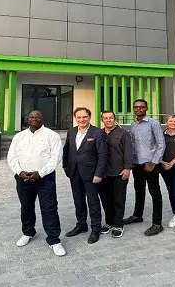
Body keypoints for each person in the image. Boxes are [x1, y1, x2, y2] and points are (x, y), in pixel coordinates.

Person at [7, 110, 66, 256]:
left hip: (45, 179)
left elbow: (55, 158)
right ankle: (28, 232)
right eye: (32, 117)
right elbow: (12, 157)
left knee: (49, 208)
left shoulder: (52, 135)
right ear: (28, 119)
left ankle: (54, 240)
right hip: (23, 178)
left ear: (42, 119)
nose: (34, 119)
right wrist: (20, 172)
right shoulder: (19, 137)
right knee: (26, 207)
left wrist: (40, 173)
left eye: (37, 117)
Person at [63, 107, 109, 244]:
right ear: (75, 118)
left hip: (91, 174)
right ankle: (81, 225)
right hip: (74, 172)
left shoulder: (98, 133)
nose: (82, 120)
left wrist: (99, 173)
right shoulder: (71, 131)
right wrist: (65, 167)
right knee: (78, 200)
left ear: (89, 117)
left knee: (93, 202)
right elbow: (67, 149)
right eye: (79, 117)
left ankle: (96, 229)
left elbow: (103, 155)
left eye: (84, 117)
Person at [123, 99, 166, 237]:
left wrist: (154, 162)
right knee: (139, 190)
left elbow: (161, 144)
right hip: (137, 164)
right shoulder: (133, 124)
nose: (138, 109)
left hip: (150, 164)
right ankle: (137, 215)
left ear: (146, 108)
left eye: (141, 107)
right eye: (136, 107)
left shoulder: (153, 123)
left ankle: (157, 224)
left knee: (155, 193)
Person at [98, 110, 136, 238]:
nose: (108, 120)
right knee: (106, 199)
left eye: (111, 118)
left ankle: (118, 224)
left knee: (118, 199)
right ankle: (109, 222)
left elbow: (129, 151)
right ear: (102, 120)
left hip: (119, 172)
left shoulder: (123, 133)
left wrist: (127, 168)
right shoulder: (99, 133)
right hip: (103, 173)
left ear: (114, 119)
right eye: (106, 118)